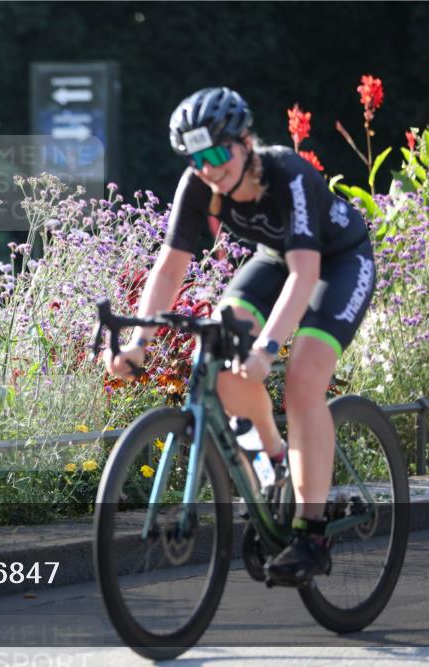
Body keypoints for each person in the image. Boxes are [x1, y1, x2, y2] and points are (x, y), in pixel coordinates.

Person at [103, 87, 376, 585]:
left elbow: (304, 273)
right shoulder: (199, 184)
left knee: (302, 377)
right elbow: (168, 270)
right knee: (224, 361)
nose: (209, 167)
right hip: (274, 259)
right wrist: (138, 341)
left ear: (245, 141)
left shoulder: (286, 172)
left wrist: (268, 348)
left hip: (337, 262)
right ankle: (275, 467)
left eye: (216, 152)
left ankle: (311, 533)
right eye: (197, 157)